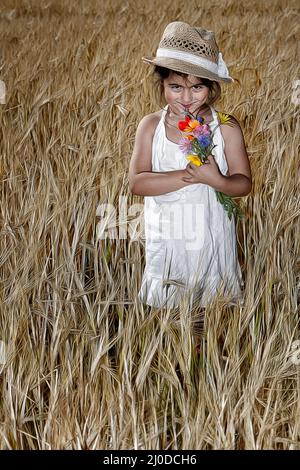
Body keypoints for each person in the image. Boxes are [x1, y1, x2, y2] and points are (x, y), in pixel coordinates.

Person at [129, 21, 252, 315]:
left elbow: (244, 183)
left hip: (212, 241)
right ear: (162, 85)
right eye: (175, 87)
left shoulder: (226, 127)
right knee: (167, 316)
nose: (186, 98)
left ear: (211, 88)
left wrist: (219, 181)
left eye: (197, 87)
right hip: (169, 242)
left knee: (213, 316)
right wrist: (192, 176)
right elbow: (137, 183)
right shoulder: (150, 127)